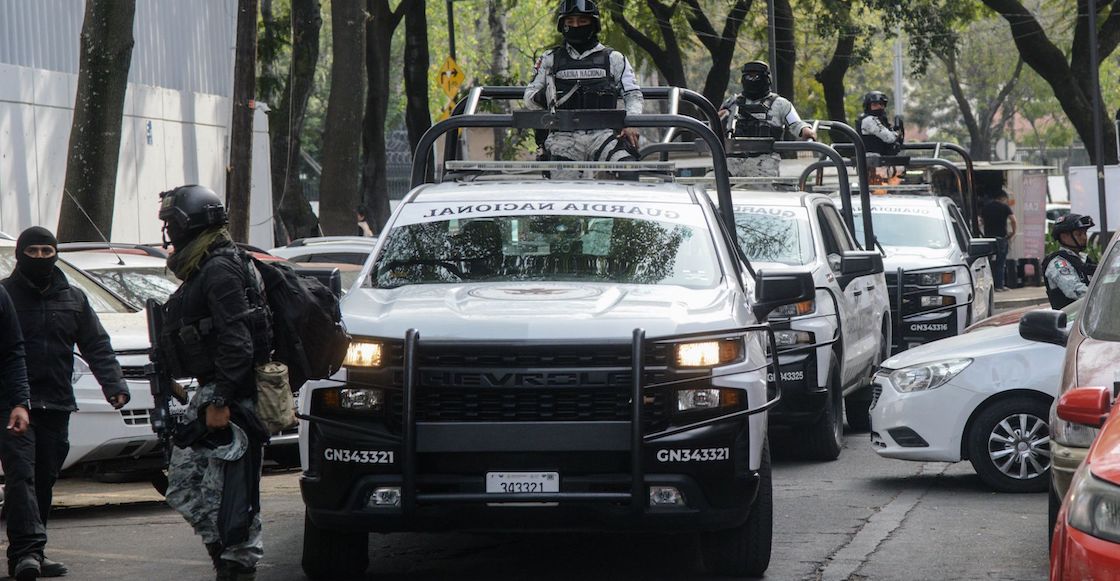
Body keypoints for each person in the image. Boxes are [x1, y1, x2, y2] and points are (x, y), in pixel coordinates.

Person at [0, 227, 130, 580]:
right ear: (20, 255)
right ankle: (26, 553)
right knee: (21, 476)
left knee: (43, 479)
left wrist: (114, 385)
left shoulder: (74, 298)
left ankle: (33, 552)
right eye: (33, 251)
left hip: (57, 402)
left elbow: (96, 344)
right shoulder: (6, 295)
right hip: (14, 403)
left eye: (47, 251)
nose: (40, 258)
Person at [158, 185, 271, 581]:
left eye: (172, 222)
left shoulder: (220, 268)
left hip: (232, 395)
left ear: (189, 224)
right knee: (187, 486)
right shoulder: (205, 264)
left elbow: (237, 340)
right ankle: (226, 556)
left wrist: (222, 399)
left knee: (229, 494)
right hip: (213, 389)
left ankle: (236, 565)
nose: (168, 231)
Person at [524, 0, 643, 176]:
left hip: (604, 135)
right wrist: (547, 96)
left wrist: (631, 123)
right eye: (570, 21)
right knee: (564, 181)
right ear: (562, 25)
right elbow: (529, 98)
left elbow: (633, 94)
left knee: (628, 171)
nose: (576, 26)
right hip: (563, 137)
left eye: (582, 21)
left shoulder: (614, 58)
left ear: (593, 24)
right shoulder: (550, 59)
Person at [719, 60, 816, 178]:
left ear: (766, 79)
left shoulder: (781, 104)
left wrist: (806, 130)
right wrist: (718, 119)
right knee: (707, 185)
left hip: (764, 164)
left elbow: (796, 124)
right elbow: (714, 126)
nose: (752, 80)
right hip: (730, 163)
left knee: (759, 186)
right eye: (749, 76)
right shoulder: (731, 103)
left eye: (756, 76)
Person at [0, 284, 33, 580]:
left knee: (20, 474)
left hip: (4, 402)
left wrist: (20, 403)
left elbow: (13, 351)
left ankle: (26, 554)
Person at [1043, 213, 1095, 309]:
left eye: (1085, 233)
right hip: (1071, 317)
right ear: (1064, 237)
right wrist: (1101, 298)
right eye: (1079, 234)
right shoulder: (1058, 263)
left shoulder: (1085, 260)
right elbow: (1075, 290)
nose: (1084, 237)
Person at [979, 191, 1018, 291]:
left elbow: (980, 221)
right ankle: (999, 286)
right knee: (1000, 262)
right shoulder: (1004, 207)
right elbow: (1013, 220)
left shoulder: (986, 207)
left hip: (988, 238)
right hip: (1001, 238)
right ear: (1003, 198)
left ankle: (987, 286)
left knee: (987, 263)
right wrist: (1013, 232)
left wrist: (982, 233)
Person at [857, 91, 903, 155]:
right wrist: (897, 133)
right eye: (875, 105)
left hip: (879, 157)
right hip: (871, 158)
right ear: (868, 106)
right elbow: (889, 138)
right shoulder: (869, 120)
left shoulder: (879, 119)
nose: (879, 107)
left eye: (881, 104)